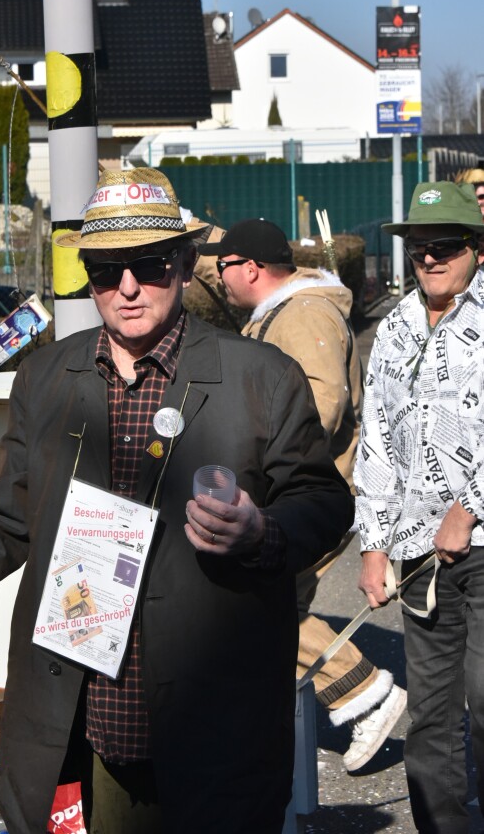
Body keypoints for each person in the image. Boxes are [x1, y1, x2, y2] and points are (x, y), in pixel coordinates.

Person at [0, 167, 353, 834]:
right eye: (106, 270)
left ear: (185, 264)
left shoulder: (258, 376)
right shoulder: (47, 375)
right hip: (82, 705)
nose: (127, 288)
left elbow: (322, 500)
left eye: (150, 265)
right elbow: (7, 507)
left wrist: (261, 532)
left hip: (208, 708)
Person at [196, 219, 407, 771]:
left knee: (262, 603)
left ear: (250, 268)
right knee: (266, 601)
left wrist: (249, 450)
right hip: (301, 488)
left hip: (316, 491)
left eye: (223, 270)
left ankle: (364, 692)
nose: (219, 282)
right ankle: (349, 696)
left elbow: (322, 404)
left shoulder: (304, 314)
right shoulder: (281, 315)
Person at [355, 181, 484, 834]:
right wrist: (373, 542)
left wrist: (467, 508)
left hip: (480, 544)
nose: (428, 258)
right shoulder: (394, 328)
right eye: (417, 248)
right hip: (416, 555)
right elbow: (375, 437)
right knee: (431, 714)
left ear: (476, 250)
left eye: (445, 246)